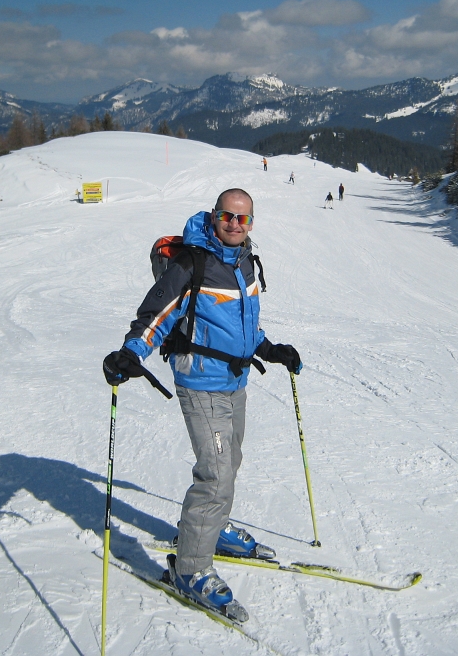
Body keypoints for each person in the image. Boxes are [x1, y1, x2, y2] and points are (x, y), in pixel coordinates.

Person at [103, 188, 302, 619]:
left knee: (229, 462)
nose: (234, 224)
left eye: (242, 219)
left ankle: (213, 528)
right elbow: (155, 316)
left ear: (251, 224)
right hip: (201, 383)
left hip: (236, 379)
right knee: (213, 474)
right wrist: (130, 353)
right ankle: (189, 570)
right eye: (227, 216)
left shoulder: (245, 261)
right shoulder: (190, 263)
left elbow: (242, 319)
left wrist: (268, 349)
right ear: (214, 217)